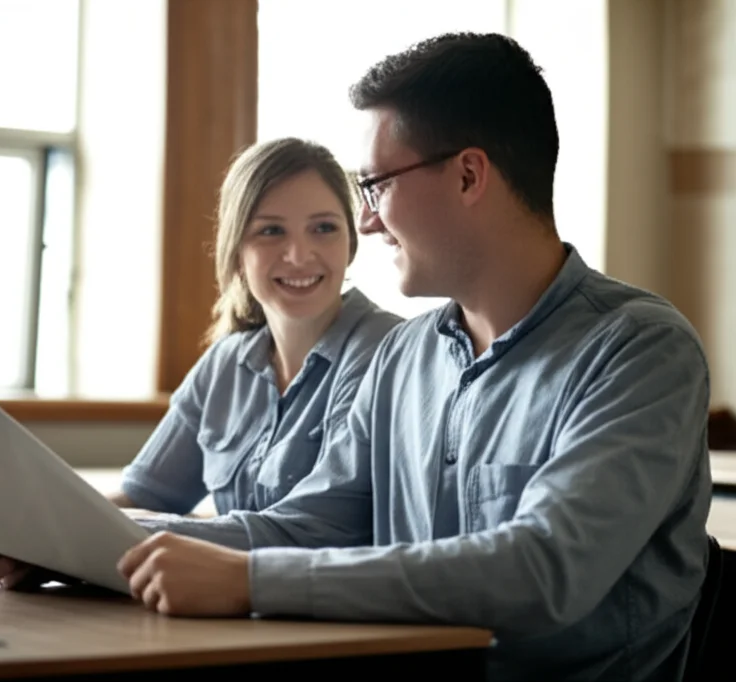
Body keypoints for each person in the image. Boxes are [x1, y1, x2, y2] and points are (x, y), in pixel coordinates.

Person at [110, 33, 713, 682]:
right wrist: (95, 553)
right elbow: (312, 526)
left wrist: (250, 582)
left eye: (375, 186)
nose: (365, 222)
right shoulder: (403, 356)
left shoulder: (640, 350)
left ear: (468, 175)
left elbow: (541, 569)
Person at [0, 138, 402, 583]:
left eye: (324, 228)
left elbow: (310, 534)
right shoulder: (224, 365)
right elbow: (142, 494)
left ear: (351, 239)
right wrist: (26, 533)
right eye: (271, 231)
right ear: (236, 250)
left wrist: (63, 540)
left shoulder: (387, 351)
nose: (300, 255)